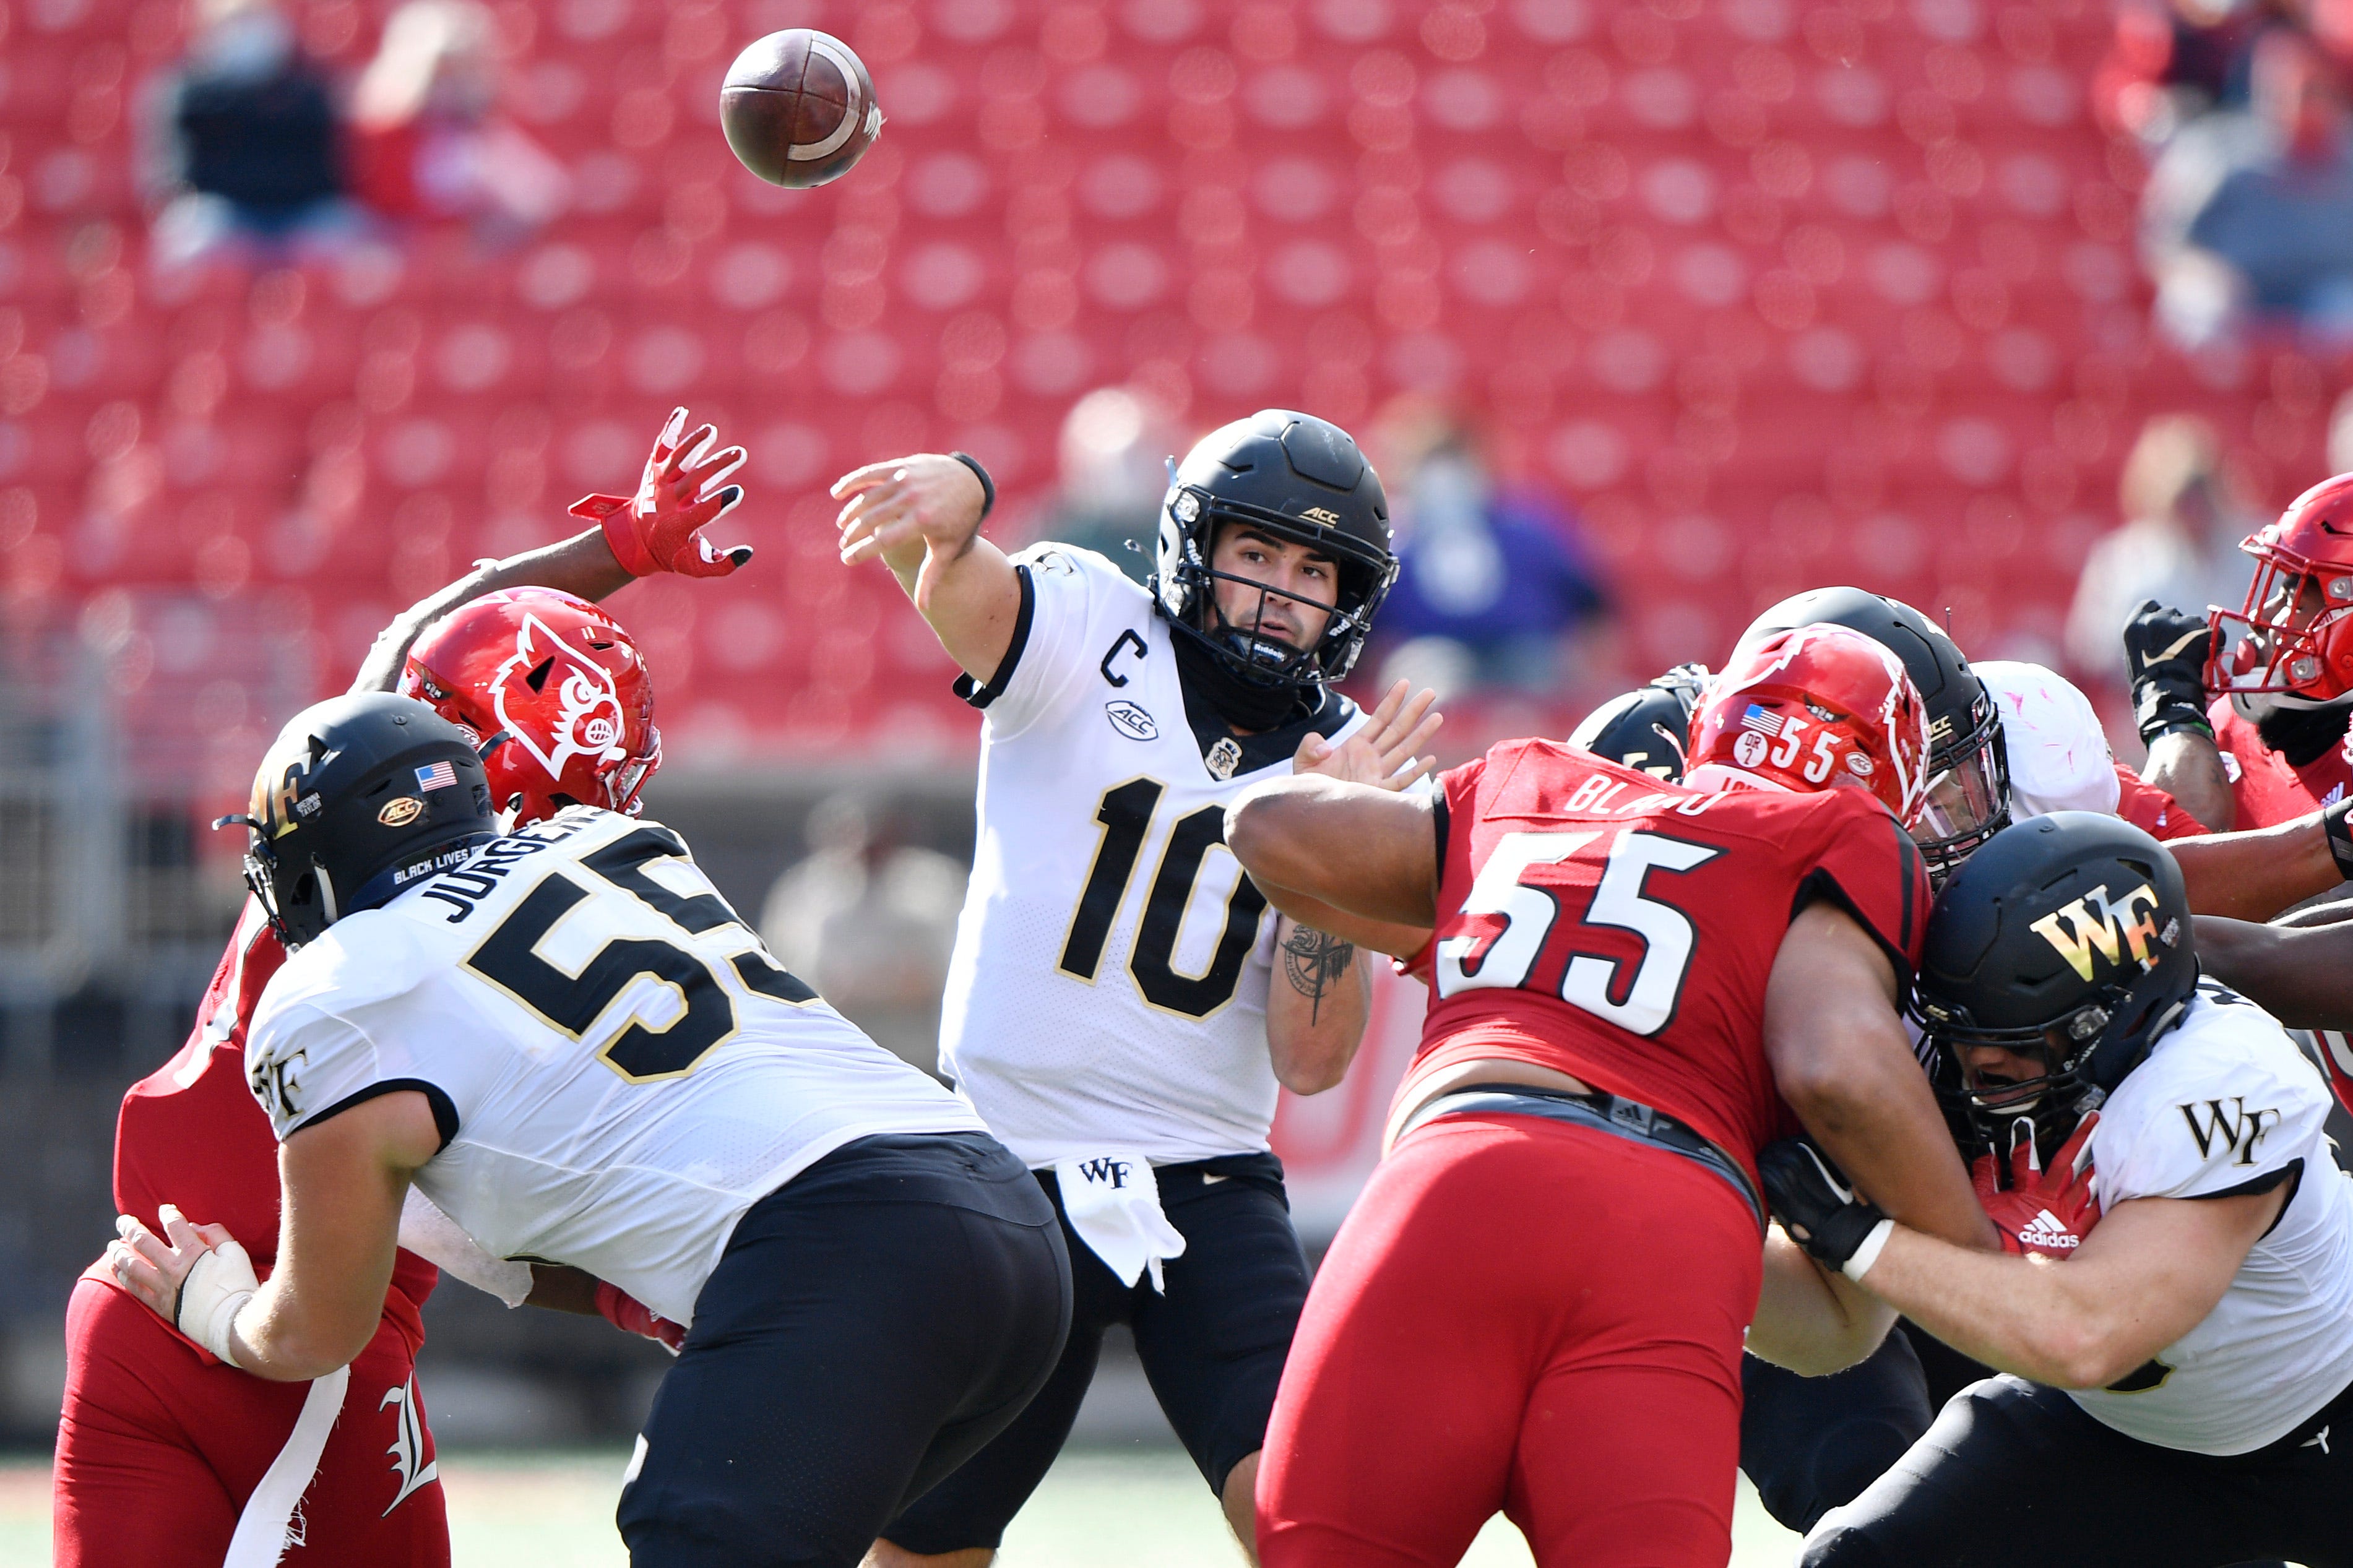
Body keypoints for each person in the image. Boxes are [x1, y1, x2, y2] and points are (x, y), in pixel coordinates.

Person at [108, 694, 1071, 1568]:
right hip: (1007, 1219)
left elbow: (318, 1327)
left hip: (841, 1249)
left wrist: (211, 1303)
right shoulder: (606, 844)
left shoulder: (339, 990)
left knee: (689, 1537)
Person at [52, 410, 748, 1567]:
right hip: (299, 1358)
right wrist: (656, 1295)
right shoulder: (473, 944)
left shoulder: (334, 824)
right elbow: (485, 1231)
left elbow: (422, 632)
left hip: (137, 1291)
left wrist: (620, 548)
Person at [1228, 623, 1998, 1567]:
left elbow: (1265, 828)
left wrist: (1346, 794)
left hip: (1456, 1178)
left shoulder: (1532, 780)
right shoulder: (1846, 833)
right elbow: (1832, 1063)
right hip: (1673, 1221)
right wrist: (1973, 1263)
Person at [828, 411, 1435, 1567]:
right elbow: (968, 597)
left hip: (1203, 1170)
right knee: (922, 1545)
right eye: (1256, 552)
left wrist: (1337, 842)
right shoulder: (1090, 620)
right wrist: (960, 506)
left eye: (1313, 570)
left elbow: (1311, 1060)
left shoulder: (1356, 757)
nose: (1279, 592)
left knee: (1314, 1522)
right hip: (1010, 1161)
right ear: (1192, 545)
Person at [1770, 812, 2353, 1568]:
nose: (1976, 1070)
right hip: (2115, 1435)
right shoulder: (1956, 1061)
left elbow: (2089, 1336)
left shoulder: (2220, 1077)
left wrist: (1856, 1237)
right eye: (1959, 1036)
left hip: (2330, 1412)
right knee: (1855, 1558)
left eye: (2014, 1042)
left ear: (2117, 1018)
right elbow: (1832, 1336)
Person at [2136, 471, 2353, 835]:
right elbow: (2166, 869)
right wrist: (2174, 727)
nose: (2262, 618)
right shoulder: (2227, 728)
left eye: (2294, 598)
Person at [142, 0, 358, 272]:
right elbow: (177, 180)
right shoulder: (188, 94)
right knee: (193, 234)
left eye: (254, 21)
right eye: (236, 24)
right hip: (227, 214)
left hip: (297, 215)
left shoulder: (308, 91)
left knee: (346, 233)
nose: (248, 34)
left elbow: (327, 175)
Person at [347, 0, 571, 238]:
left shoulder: (489, 127)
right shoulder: (384, 130)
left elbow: (543, 196)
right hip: (400, 242)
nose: (447, 84)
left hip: (467, 244)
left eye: (459, 70)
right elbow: (384, 201)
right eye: (439, 72)